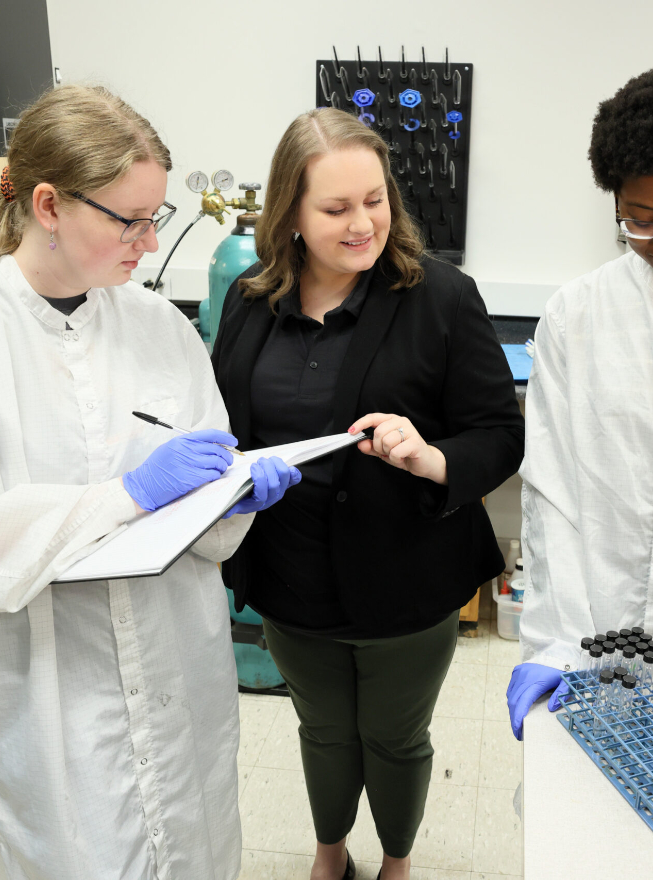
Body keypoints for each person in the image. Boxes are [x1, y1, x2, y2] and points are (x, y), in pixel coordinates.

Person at [212, 107, 524, 880]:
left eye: (375, 199)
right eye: (337, 208)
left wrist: (429, 458)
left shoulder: (441, 297)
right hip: (289, 580)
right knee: (321, 730)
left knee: (393, 736)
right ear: (288, 213)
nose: (364, 223)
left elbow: (498, 435)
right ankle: (328, 854)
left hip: (405, 581)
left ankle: (397, 861)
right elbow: (224, 424)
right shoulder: (251, 302)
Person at [0, 85, 299, 880]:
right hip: (54, 687)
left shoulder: (159, 327)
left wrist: (232, 495)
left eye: (154, 218)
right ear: (49, 205)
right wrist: (127, 495)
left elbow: (204, 509)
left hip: (179, 667)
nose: (146, 241)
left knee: (194, 843)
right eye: (127, 219)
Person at [506, 64, 653, 741]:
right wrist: (557, 642)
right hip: (595, 650)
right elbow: (552, 492)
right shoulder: (577, 316)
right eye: (640, 221)